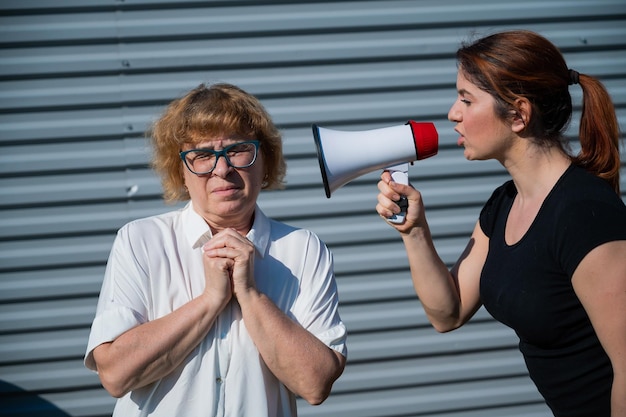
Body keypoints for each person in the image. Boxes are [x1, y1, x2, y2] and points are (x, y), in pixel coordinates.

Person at [376, 30, 626, 416]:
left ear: (519, 114)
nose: (452, 113)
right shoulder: (504, 205)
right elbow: (449, 312)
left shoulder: (584, 214)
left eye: (466, 99)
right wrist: (414, 231)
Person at [84, 83, 347, 417]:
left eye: (238, 150)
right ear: (181, 170)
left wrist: (250, 294)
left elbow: (315, 384)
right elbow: (116, 375)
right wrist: (210, 300)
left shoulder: (303, 249)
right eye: (202, 156)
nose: (221, 169)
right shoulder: (141, 240)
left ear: (264, 160)